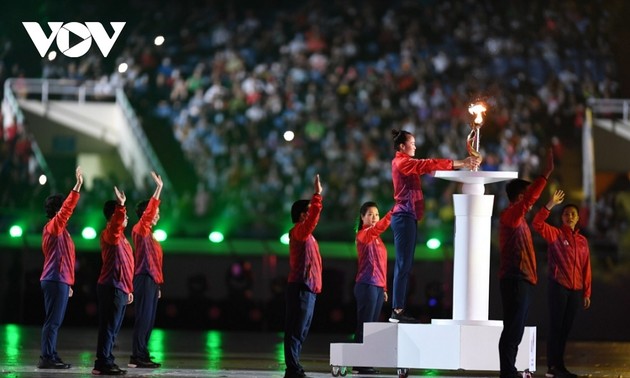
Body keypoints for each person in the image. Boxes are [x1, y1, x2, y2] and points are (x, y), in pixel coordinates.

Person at [389, 129, 480, 323]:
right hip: (403, 217)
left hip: (408, 216)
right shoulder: (401, 162)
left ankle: (398, 309)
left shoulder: (406, 163)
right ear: (402, 146)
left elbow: (427, 166)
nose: (415, 146)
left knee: (405, 265)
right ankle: (396, 311)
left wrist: (460, 164)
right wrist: (461, 163)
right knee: (403, 265)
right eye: (412, 143)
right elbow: (427, 164)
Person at [498, 149, 554, 378]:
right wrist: (545, 175)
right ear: (520, 197)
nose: (529, 199)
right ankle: (507, 372)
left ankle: (508, 371)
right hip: (515, 279)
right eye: (526, 194)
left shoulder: (519, 221)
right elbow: (531, 199)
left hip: (524, 280)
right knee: (512, 329)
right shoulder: (510, 216)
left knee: (516, 329)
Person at [532, 190, 592, 378]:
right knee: (556, 327)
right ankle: (552, 367)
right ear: (562, 218)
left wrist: (587, 293)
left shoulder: (582, 241)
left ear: (577, 218)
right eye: (566, 214)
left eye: (573, 214)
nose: (570, 216)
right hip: (558, 286)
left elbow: (586, 267)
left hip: (575, 290)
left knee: (565, 329)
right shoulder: (556, 235)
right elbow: (537, 224)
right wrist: (550, 204)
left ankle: (560, 366)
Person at [38, 166, 83, 369]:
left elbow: (65, 257)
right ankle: (46, 357)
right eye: (63, 206)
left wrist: (69, 282)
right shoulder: (53, 227)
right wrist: (77, 186)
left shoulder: (61, 230)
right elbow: (66, 212)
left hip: (60, 279)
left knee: (55, 321)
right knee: (52, 321)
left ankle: (51, 354)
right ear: (58, 210)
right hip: (54, 279)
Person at [284, 174, 323, 378]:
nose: (313, 215)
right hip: (301, 286)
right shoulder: (300, 231)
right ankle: (292, 367)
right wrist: (317, 196)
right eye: (309, 212)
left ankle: (294, 365)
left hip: (308, 287)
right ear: (301, 215)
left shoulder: (307, 235)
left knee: (301, 330)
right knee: (296, 329)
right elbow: (312, 221)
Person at [93, 187, 134, 376]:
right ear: (114, 215)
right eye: (122, 215)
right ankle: (102, 363)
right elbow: (117, 225)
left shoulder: (122, 239)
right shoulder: (110, 233)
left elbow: (126, 265)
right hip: (111, 286)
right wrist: (121, 205)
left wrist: (129, 288)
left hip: (121, 287)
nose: (126, 218)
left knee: (114, 328)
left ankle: (107, 359)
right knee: (108, 327)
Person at [129, 172, 164, 369]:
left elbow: (156, 263)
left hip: (152, 280)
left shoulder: (152, 237)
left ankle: (143, 353)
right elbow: (151, 211)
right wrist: (158, 189)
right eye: (154, 213)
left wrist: (158, 283)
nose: (157, 215)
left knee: (149, 319)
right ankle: (136, 355)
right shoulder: (139, 230)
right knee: (143, 317)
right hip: (143, 278)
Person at [353, 201, 392, 375]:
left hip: (377, 286)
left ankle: (364, 361)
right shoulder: (363, 235)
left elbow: (381, 264)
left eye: (376, 214)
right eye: (370, 214)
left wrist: (384, 288)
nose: (375, 217)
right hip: (366, 284)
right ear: (362, 217)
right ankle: (358, 362)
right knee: (365, 325)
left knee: (372, 326)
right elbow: (377, 229)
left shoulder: (378, 239)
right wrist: (392, 213)